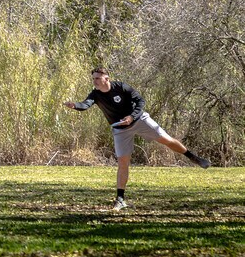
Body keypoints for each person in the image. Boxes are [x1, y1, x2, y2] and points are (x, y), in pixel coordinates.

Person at [63, 67, 210, 211]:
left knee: (166, 140)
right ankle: (120, 200)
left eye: (98, 78)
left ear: (106, 79)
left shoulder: (120, 87)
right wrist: (75, 105)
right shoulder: (95, 94)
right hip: (120, 130)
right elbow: (85, 105)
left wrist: (131, 117)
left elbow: (140, 101)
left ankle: (193, 157)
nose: (95, 81)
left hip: (140, 120)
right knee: (123, 163)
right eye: (93, 78)